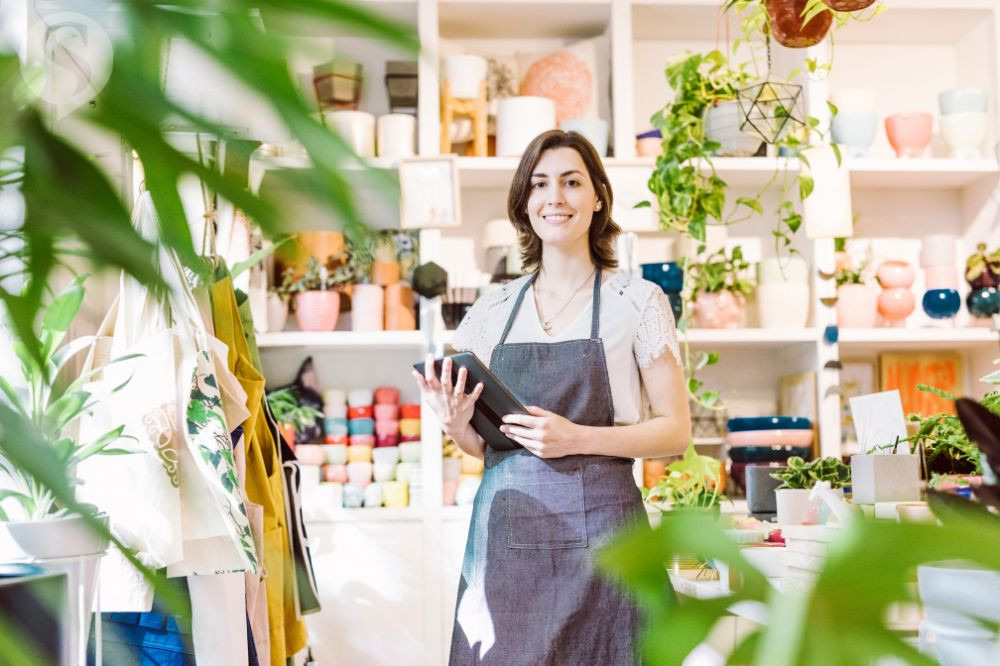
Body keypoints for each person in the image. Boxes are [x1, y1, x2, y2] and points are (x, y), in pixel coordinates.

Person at [412, 129, 691, 665]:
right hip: (508, 548)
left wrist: (577, 437)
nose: (555, 198)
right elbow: (488, 448)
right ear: (524, 203)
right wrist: (454, 423)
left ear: (598, 198)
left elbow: (675, 430)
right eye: (539, 185)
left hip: (609, 545)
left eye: (571, 182)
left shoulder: (636, 301)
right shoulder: (491, 312)